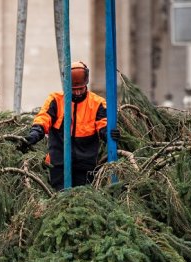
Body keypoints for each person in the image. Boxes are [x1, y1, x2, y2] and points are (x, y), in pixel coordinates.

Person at [20, 61, 119, 190]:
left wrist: (110, 134)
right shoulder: (55, 100)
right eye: (74, 89)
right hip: (58, 164)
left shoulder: (97, 103)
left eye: (81, 89)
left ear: (86, 84)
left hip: (85, 167)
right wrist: (34, 134)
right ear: (66, 86)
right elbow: (43, 119)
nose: (77, 93)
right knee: (60, 198)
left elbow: (103, 125)